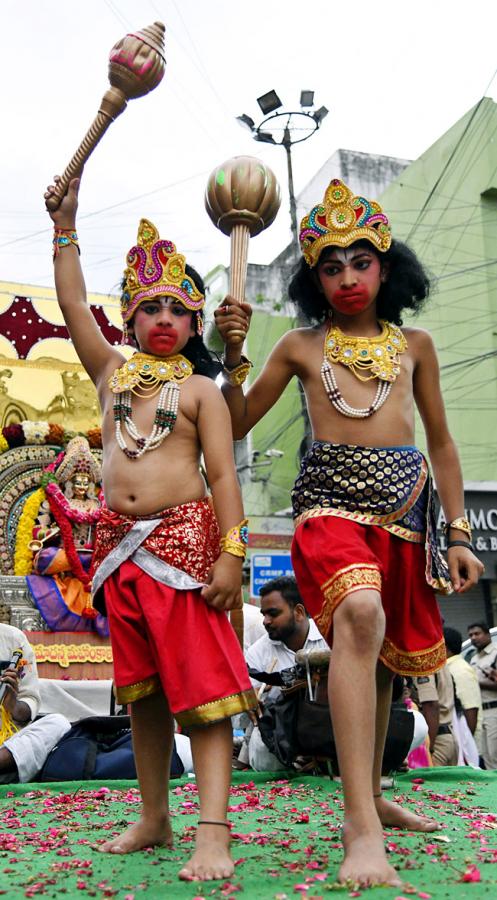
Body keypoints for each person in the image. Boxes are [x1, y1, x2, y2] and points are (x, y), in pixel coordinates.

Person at [214, 177, 484, 886]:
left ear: (385, 268)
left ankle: (372, 795)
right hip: (327, 503)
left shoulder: (415, 345)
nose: (346, 278)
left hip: (407, 509)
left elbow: (445, 444)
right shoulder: (301, 349)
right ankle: (359, 824)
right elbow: (232, 426)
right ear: (313, 281)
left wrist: (458, 534)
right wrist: (231, 361)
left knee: (389, 656)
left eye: (359, 262)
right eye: (329, 267)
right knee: (360, 616)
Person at [44, 175, 257, 883]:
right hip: (120, 555)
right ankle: (154, 815)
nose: (163, 317)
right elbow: (71, 301)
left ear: (195, 323)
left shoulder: (200, 391)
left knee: (203, 696)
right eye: (148, 307)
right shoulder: (111, 375)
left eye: (177, 307)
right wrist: (65, 227)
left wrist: (232, 555)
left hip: (186, 549)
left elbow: (224, 477)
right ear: (129, 320)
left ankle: (213, 830)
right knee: (142, 695)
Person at [244, 575, 329, 771]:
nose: (265, 621)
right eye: (263, 614)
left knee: (416, 723)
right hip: (283, 730)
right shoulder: (257, 653)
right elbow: (248, 712)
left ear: (299, 612)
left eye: (273, 613)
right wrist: (249, 702)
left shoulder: (329, 637)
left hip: (331, 724)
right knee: (262, 752)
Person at [25, 435, 108, 635]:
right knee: (43, 560)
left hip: (91, 556)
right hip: (65, 555)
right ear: (70, 482)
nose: (81, 486)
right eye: (77, 481)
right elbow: (38, 532)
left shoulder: (98, 505)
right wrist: (53, 530)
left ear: (90, 485)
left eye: (85, 482)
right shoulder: (54, 502)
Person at [0, 622, 70, 782]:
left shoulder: (13, 639)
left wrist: (12, 704)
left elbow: (29, 701)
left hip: (6, 742)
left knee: (58, 723)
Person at [444, 625, 481, 765]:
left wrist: (465, 746)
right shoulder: (449, 668)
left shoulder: (460, 670)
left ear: (445, 648)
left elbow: (471, 709)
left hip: (465, 744)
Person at [411, 665, 458, 766]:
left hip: (436, 739)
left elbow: (430, 705)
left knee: (431, 780)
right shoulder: (437, 658)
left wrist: (429, 749)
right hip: (447, 735)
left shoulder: (423, 662)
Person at [467, 622, 497, 769]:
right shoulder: (474, 658)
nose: (473, 638)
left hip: (494, 710)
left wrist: (475, 683)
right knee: (486, 757)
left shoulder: (495, 653)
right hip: (480, 712)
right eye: (471, 635)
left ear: (487, 634)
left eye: (477, 634)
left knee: (494, 754)